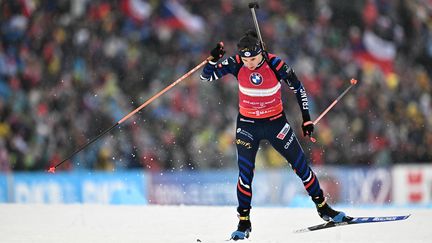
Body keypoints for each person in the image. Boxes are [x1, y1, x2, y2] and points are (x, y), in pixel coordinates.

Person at [200, 30, 350, 240]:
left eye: (253, 58)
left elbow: (298, 88)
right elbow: (205, 76)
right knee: (245, 175)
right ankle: (244, 222)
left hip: (275, 123)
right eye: (245, 59)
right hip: (247, 125)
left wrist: (306, 119)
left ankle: (324, 208)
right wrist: (212, 60)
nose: (249, 63)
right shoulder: (236, 62)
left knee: (301, 167)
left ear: (261, 52)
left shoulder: (276, 64)